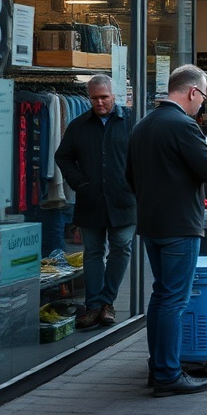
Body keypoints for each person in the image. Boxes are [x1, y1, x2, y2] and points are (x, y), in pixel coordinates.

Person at [127, 64, 207, 397]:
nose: (202, 104)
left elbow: (130, 177)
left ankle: (158, 367)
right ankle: (168, 374)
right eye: (202, 97)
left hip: (152, 224)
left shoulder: (143, 125)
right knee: (174, 300)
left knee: (161, 297)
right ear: (192, 92)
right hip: (180, 226)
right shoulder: (184, 126)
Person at [54, 74, 135, 330]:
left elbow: (146, 155)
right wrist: (80, 183)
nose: (99, 102)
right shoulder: (79, 126)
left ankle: (107, 302)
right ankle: (94, 306)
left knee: (121, 247)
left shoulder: (131, 122)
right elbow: (62, 157)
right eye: (94, 98)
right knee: (93, 253)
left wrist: (135, 184)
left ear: (114, 96)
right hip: (90, 201)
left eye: (104, 97)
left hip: (123, 200)